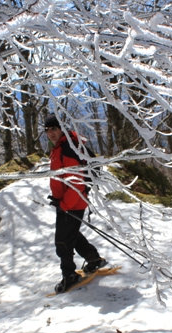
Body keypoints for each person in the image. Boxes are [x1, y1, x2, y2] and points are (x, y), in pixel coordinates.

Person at [45, 114, 107, 294]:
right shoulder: (61, 146)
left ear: (61, 129)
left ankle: (69, 275)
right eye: (47, 130)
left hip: (72, 202)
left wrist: (64, 203)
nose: (50, 133)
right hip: (67, 202)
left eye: (54, 129)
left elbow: (77, 183)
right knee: (71, 234)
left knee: (62, 241)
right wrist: (58, 199)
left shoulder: (68, 148)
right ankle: (93, 259)